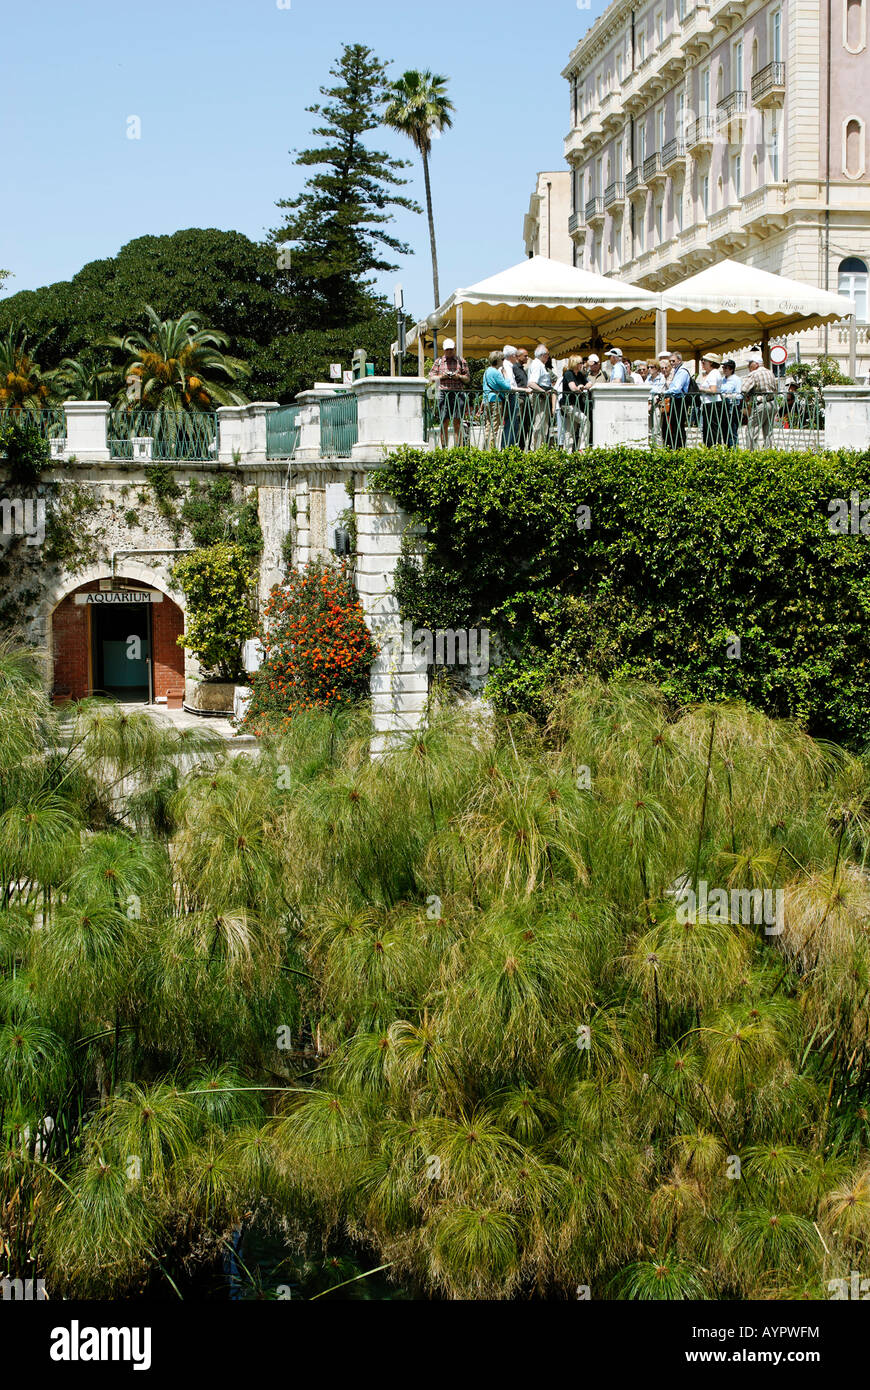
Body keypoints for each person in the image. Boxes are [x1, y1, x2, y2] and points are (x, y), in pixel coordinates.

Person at [429, 337, 471, 447]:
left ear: (455, 349)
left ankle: (458, 447)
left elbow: (467, 379)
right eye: (447, 349)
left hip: (458, 393)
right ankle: (444, 447)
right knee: (444, 421)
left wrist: (458, 377)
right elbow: (431, 377)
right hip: (443, 393)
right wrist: (442, 376)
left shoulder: (461, 361)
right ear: (443, 350)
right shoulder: (438, 362)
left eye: (451, 349)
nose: (449, 351)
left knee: (457, 421)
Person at [741, 352, 779, 449]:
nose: (748, 366)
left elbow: (743, 389)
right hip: (773, 403)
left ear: (756, 364)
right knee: (768, 431)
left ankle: (750, 453)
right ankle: (769, 452)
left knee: (752, 429)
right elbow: (775, 389)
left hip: (761, 404)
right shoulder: (770, 372)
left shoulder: (754, 374)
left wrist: (747, 396)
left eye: (750, 364)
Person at [661, 350, 692, 449]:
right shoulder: (677, 371)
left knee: (678, 425)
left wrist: (665, 393)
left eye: (673, 361)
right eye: (670, 361)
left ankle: (679, 447)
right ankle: (675, 446)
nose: (671, 363)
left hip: (680, 400)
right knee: (674, 425)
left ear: (679, 360)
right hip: (675, 400)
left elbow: (677, 387)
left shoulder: (682, 371)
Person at [482, 350, 511, 448]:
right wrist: (506, 376)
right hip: (495, 400)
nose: (503, 361)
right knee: (494, 427)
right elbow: (506, 387)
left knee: (488, 426)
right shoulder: (496, 373)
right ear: (498, 360)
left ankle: (485, 448)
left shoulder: (486, 372)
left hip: (487, 400)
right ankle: (491, 450)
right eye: (502, 359)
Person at [527, 344, 554, 447]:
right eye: (547, 355)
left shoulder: (539, 365)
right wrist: (543, 392)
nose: (548, 357)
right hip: (540, 397)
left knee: (543, 422)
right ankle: (536, 448)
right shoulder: (537, 365)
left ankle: (540, 446)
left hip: (542, 396)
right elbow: (531, 383)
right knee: (540, 422)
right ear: (543, 355)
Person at [560, 353, 589, 449]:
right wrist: (579, 387)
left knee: (570, 429)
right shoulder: (569, 373)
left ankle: (566, 452)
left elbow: (589, 383)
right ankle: (582, 448)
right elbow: (573, 388)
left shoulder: (580, 374)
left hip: (575, 405)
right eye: (581, 363)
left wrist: (583, 386)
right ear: (575, 363)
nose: (583, 364)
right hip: (568, 405)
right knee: (585, 420)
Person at [698, 352, 723, 445]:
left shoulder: (713, 373)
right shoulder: (712, 373)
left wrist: (700, 389)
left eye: (704, 362)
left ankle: (713, 447)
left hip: (712, 403)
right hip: (710, 403)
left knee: (711, 428)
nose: (703, 363)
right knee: (710, 428)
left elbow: (713, 390)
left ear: (711, 363)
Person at [718, 359, 744, 447]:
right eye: (723, 367)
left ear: (731, 369)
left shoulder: (736, 380)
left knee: (732, 431)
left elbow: (739, 394)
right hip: (723, 407)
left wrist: (729, 396)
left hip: (733, 407)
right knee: (724, 430)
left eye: (726, 367)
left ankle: (733, 450)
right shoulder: (722, 380)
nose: (724, 369)